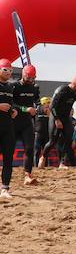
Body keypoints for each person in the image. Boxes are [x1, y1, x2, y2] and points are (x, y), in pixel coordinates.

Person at [45, 75, 76, 169]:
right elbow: (52, 106)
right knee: (52, 142)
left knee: (69, 139)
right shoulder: (62, 89)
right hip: (55, 116)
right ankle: (43, 157)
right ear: (75, 84)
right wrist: (57, 120)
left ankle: (62, 162)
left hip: (66, 118)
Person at [12, 64, 41, 185]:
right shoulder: (14, 86)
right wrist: (25, 109)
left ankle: (27, 175)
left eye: (32, 78)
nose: (30, 80)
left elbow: (37, 101)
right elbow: (11, 104)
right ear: (23, 75)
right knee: (7, 149)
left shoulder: (34, 87)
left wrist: (39, 107)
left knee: (29, 149)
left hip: (27, 123)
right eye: (28, 78)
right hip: (13, 123)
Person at [0, 60, 18, 198]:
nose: (9, 73)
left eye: (10, 71)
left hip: (8, 126)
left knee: (8, 159)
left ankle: (5, 188)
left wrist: (13, 110)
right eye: (6, 70)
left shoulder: (10, 87)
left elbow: (11, 104)